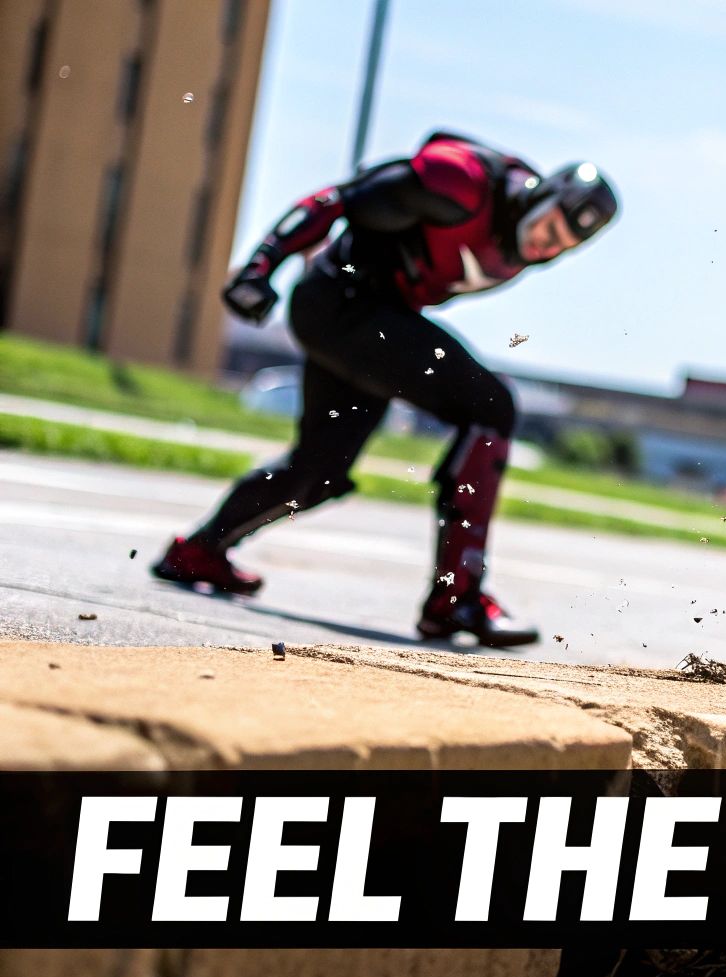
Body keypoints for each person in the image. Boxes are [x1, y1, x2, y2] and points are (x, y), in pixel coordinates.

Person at [152, 131, 619, 647]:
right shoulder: (461, 184)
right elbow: (337, 199)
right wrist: (263, 266)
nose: (546, 246)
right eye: (549, 227)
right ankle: (456, 599)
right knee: (491, 405)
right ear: (540, 195)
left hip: (370, 324)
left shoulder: (526, 247)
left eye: (563, 245)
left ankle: (196, 552)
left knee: (318, 474)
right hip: (341, 304)